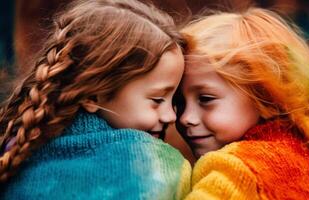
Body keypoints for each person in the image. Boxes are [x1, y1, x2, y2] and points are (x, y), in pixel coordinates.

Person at [0, 0, 191, 199]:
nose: (171, 116)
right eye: (158, 100)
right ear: (93, 96)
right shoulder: (155, 169)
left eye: (174, 101)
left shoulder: (19, 155)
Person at [176, 8, 309, 199]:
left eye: (205, 99)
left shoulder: (235, 172)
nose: (185, 118)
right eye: (179, 103)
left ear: (266, 96)